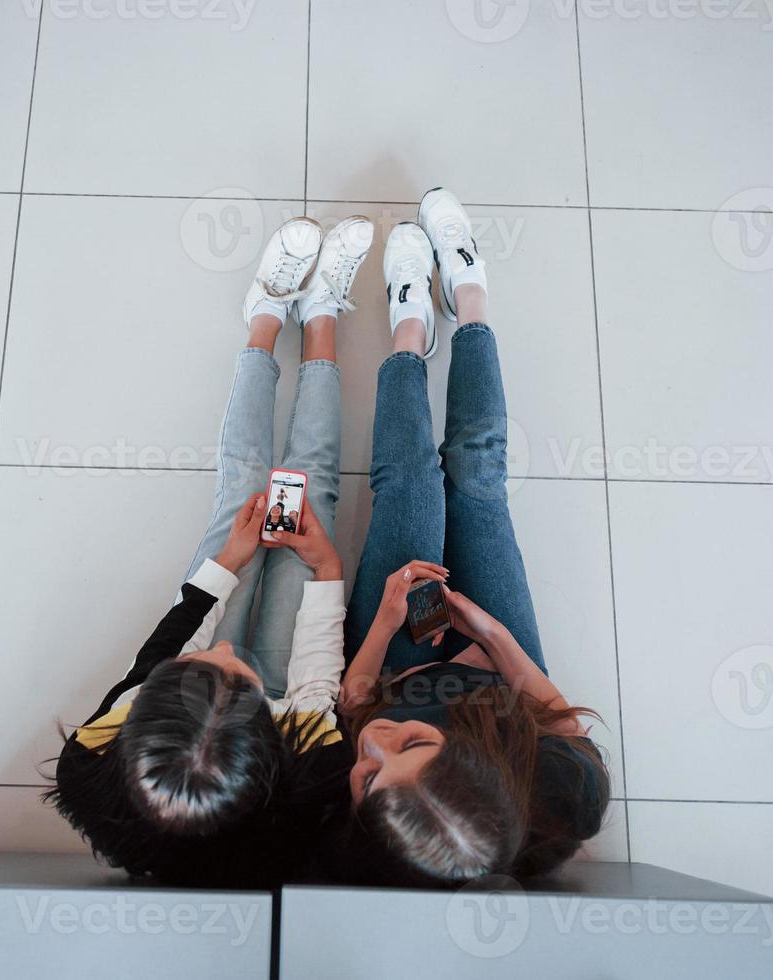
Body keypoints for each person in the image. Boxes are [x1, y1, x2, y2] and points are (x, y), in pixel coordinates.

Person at [45, 215, 374, 886]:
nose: (228, 649)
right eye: (238, 671)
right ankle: (321, 321)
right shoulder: (311, 775)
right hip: (284, 704)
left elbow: (168, 645)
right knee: (313, 497)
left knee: (248, 494)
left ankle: (265, 314)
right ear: (273, 742)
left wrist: (228, 562)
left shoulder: (94, 754)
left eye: (204, 664)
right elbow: (315, 688)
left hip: (223, 703)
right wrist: (326, 568)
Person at [336, 188, 610, 886]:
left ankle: (408, 332)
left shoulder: (388, 804)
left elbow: (359, 702)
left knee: (412, 485)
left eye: (367, 773)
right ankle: (470, 300)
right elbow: (556, 715)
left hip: (401, 657)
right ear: (474, 766)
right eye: (411, 744)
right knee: (478, 478)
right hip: (497, 659)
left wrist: (391, 618)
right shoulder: (558, 795)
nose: (371, 745)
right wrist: (489, 630)